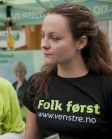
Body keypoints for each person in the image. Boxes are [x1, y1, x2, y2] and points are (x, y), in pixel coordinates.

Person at [23, 3, 112, 139]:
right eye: (43, 36)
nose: (44, 44)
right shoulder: (37, 84)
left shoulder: (107, 86)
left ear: (81, 42)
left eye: (54, 38)